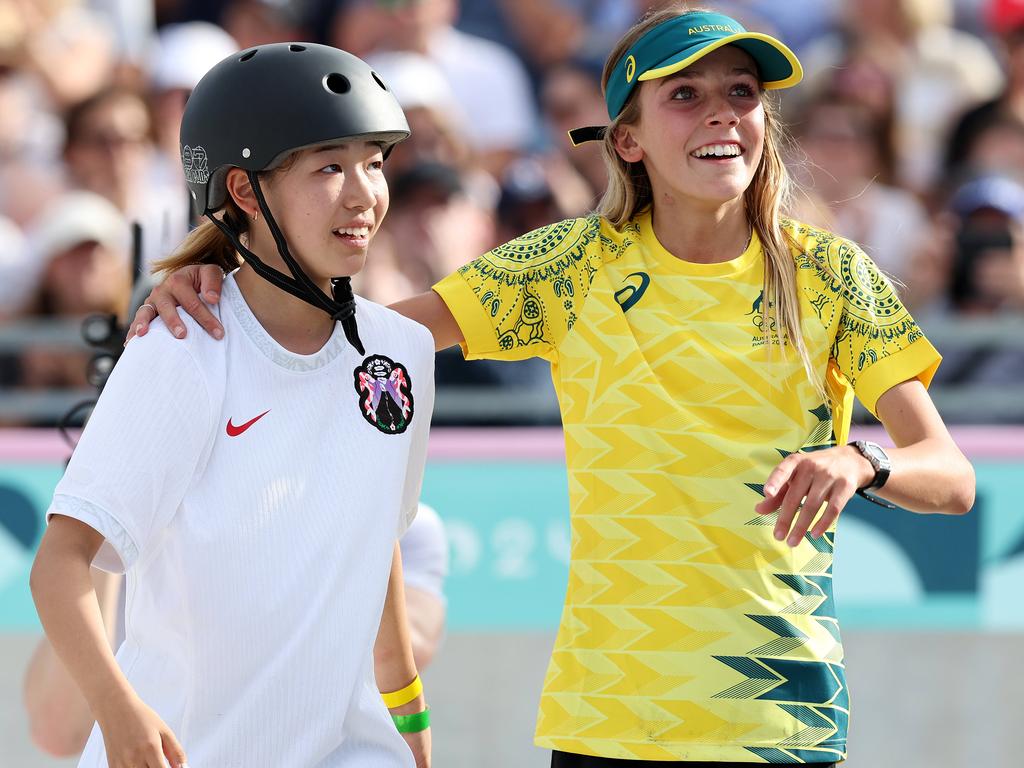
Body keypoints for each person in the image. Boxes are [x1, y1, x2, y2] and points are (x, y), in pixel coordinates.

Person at [132, 6, 976, 766]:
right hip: (602, 724)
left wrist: (860, 461)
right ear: (628, 140)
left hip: (780, 723)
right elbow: (351, 329)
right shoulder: (576, 265)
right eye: (685, 94)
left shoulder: (829, 273)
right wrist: (213, 280)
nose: (724, 111)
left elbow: (950, 475)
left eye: (743, 91)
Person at [30, 43, 434, 768]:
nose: (362, 193)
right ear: (245, 193)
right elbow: (59, 564)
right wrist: (119, 712)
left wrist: (411, 726)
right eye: (328, 166)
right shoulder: (180, 349)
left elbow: (378, 548)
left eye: (374, 161)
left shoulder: (402, 352)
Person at [25, 503, 449, 757]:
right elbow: (57, 731)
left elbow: (402, 650)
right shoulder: (165, 507)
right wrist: (105, 521)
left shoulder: (404, 521)